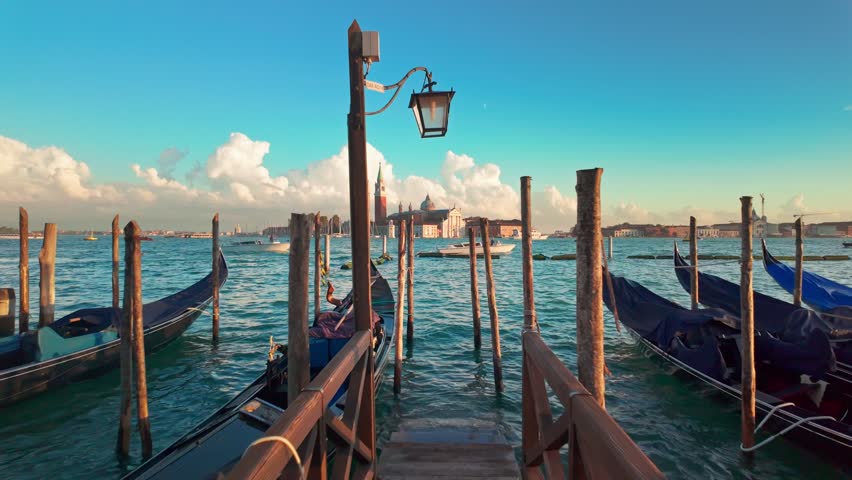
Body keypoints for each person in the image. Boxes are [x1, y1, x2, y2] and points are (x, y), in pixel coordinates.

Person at [310, 281, 379, 338]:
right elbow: (331, 299)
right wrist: (330, 292)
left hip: (349, 320)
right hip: (340, 318)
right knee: (323, 316)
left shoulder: (361, 306)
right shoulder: (345, 303)